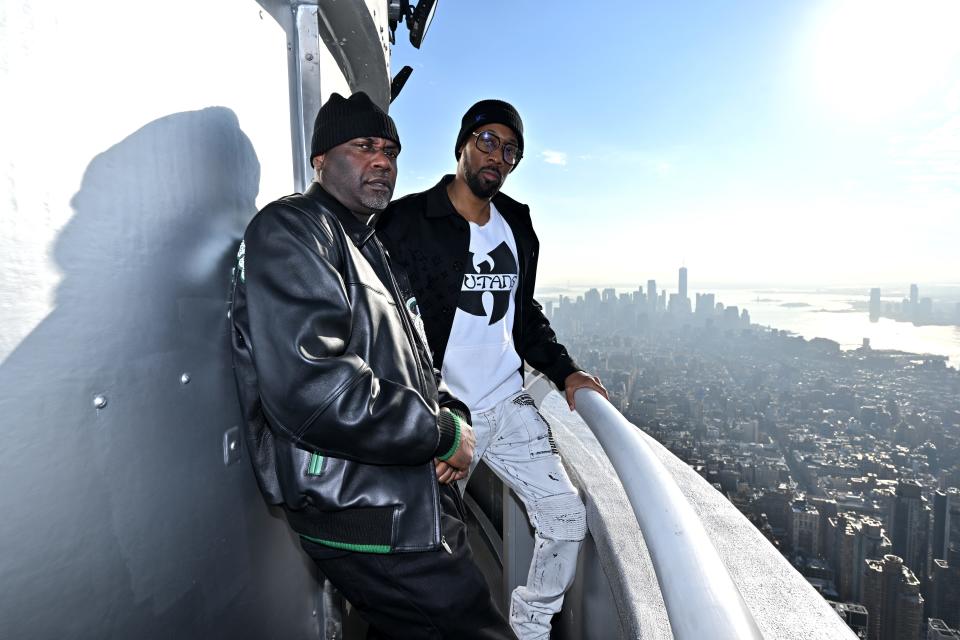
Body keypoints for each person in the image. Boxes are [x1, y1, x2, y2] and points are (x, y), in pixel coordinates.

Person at [229, 91, 514, 639]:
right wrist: (439, 431)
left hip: (393, 492)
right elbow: (317, 390)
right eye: (364, 147)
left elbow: (414, 364)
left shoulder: (369, 245)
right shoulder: (292, 229)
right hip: (359, 507)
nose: (383, 160)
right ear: (321, 160)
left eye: (390, 149)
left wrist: (451, 411)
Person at [378, 99, 608, 640]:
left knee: (566, 519)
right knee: (427, 556)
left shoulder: (517, 224)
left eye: (510, 150)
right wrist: (434, 412)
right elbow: (382, 322)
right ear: (462, 144)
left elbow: (522, 313)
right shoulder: (408, 221)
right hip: (443, 415)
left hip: (508, 404)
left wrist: (566, 371)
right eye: (487, 141)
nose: (497, 156)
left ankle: (528, 629)